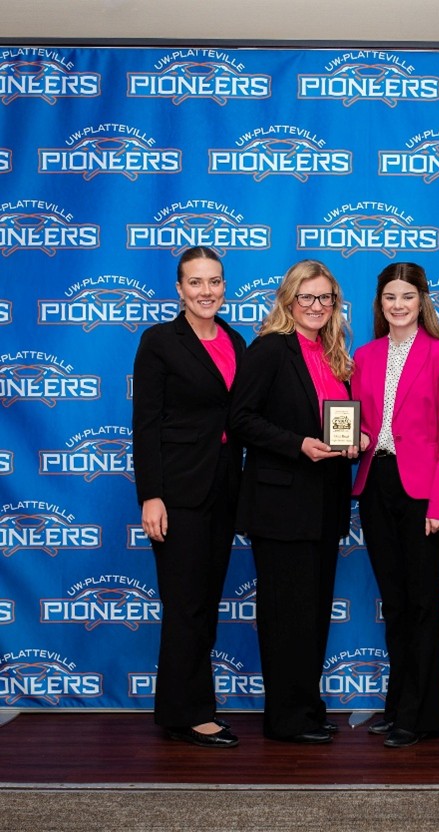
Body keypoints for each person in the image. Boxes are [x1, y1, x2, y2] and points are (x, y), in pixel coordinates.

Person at [229, 259, 356, 744]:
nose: (317, 306)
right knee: (286, 615)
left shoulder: (333, 353)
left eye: (325, 298)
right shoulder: (269, 349)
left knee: (313, 612)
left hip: (325, 502)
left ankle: (307, 707)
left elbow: (336, 419)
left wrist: (356, 439)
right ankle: (285, 718)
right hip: (281, 506)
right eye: (307, 297)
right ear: (289, 300)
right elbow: (240, 419)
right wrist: (297, 444)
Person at [132, 246, 245, 748]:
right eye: (196, 282)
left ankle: (195, 705)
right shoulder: (158, 342)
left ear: (225, 286)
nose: (206, 291)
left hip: (224, 490)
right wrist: (151, 496)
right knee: (185, 605)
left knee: (204, 601)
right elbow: (145, 425)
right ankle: (186, 714)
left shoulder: (236, 340)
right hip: (177, 492)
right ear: (179, 289)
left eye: (214, 281)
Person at [351, 262, 439, 749]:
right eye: (390, 297)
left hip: (423, 492)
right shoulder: (365, 355)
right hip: (376, 483)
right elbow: (357, 423)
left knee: (420, 605)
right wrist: (351, 438)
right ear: (380, 303)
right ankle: (399, 704)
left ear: (422, 301)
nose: (398, 305)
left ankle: (419, 716)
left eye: (407, 296)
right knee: (395, 604)